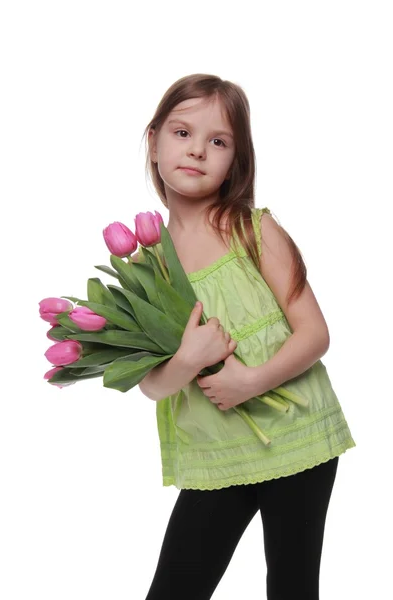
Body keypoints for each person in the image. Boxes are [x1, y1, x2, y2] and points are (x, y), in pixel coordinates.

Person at [134, 73, 356, 600]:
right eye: (182, 133)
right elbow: (151, 386)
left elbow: (315, 334)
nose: (197, 151)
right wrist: (188, 360)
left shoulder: (253, 231)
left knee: (293, 586)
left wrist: (250, 381)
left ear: (236, 158)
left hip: (298, 437)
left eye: (218, 141)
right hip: (218, 455)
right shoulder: (148, 269)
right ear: (154, 140)